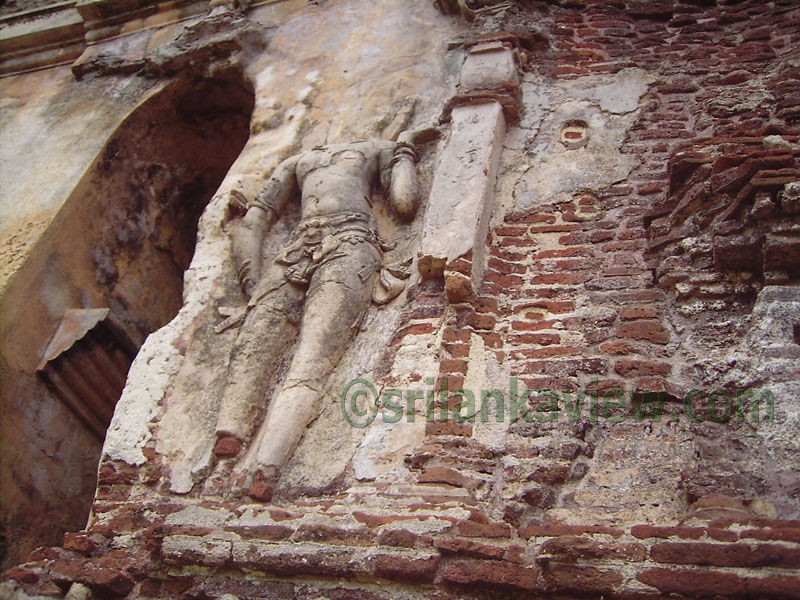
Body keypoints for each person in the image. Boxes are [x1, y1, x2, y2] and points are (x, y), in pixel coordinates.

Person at [212, 131, 424, 499]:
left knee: (311, 358)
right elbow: (256, 218)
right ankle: (225, 452)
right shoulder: (299, 161)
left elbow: (404, 205)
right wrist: (253, 284)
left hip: (351, 244)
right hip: (295, 250)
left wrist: (403, 150)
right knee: (253, 343)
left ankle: (267, 469)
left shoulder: (374, 148)